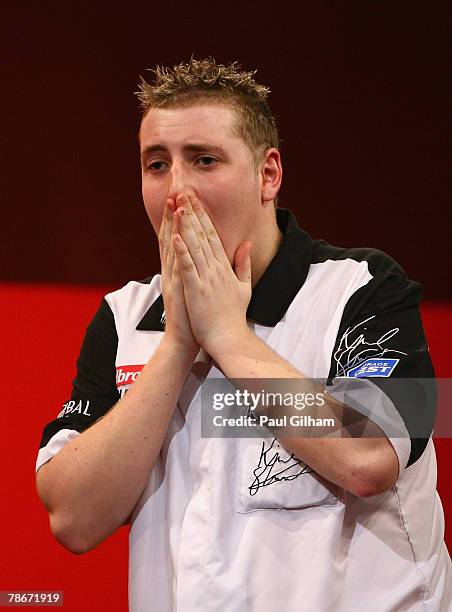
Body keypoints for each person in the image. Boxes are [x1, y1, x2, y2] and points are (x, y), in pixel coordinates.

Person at [35, 57, 451, 611]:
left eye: (204, 160)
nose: (177, 189)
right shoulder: (123, 316)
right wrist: (179, 344)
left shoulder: (363, 287)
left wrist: (227, 336)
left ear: (268, 174)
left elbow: (370, 456)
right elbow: (72, 519)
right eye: (156, 164)